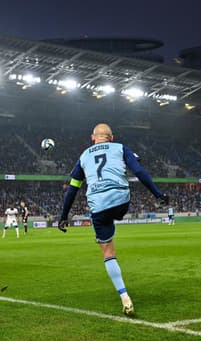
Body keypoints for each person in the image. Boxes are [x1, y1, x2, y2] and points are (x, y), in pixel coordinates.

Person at [58, 123, 168, 316]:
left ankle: (125, 298)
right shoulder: (120, 147)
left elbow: (73, 188)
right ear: (112, 137)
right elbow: (139, 171)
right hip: (121, 201)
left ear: (93, 138)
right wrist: (158, 194)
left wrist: (63, 216)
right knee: (115, 210)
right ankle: (114, 217)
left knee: (108, 252)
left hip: (98, 206)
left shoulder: (84, 156)